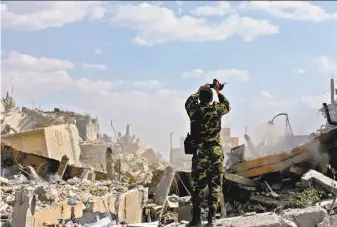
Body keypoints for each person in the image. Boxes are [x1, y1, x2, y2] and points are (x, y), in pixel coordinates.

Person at [185, 82, 231, 227]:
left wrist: (198, 91)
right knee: (215, 185)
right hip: (216, 153)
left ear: (200, 98)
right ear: (212, 99)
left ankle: (196, 220)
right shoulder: (217, 109)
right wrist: (218, 90)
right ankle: (211, 219)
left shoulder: (195, 110)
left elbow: (188, 103)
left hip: (200, 153)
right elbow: (228, 105)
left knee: (198, 186)